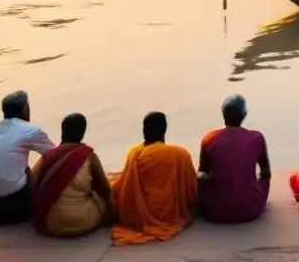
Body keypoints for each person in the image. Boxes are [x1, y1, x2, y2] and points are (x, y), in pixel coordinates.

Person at [111, 112, 198, 246]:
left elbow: (127, 186)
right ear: (164, 130)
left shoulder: (135, 152)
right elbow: (191, 188)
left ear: (144, 130)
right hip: (169, 213)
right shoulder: (179, 154)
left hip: (138, 215)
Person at [0, 91, 55, 225]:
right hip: (16, 209)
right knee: (40, 164)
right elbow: (57, 155)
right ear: (25, 109)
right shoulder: (31, 130)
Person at [31, 113, 113, 237]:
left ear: (62, 131)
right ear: (82, 133)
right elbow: (104, 189)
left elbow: (32, 183)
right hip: (80, 222)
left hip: (49, 223)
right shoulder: (88, 156)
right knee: (104, 198)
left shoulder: (48, 157)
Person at [198, 95, 271, 224]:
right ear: (245, 115)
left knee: (200, 179)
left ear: (223, 114)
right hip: (251, 209)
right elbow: (266, 172)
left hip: (215, 212)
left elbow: (202, 172)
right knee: (264, 176)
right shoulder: (257, 137)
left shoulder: (208, 138)